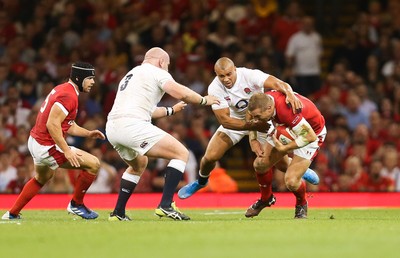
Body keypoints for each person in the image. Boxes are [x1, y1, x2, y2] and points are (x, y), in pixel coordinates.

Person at [178, 57, 319, 202]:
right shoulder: (214, 88)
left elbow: (278, 83)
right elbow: (225, 121)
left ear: (235, 70)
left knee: (280, 165)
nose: (226, 79)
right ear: (216, 74)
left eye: (229, 74)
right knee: (210, 157)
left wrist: (289, 93)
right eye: (221, 76)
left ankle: (299, 169)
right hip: (236, 123)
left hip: (262, 120)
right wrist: (252, 126)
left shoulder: (249, 75)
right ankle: (201, 182)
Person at [106, 47, 219, 221]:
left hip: (113, 128)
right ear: (161, 62)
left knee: (139, 164)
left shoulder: (132, 74)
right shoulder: (156, 71)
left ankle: (118, 213)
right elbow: (180, 92)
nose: (167, 69)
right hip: (132, 125)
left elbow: (146, 110)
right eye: (167, 65)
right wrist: (204, 100)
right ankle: (165, 205)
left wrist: (171, 110)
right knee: (181, 153)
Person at [2, 61, 106, 220]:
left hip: (36, 140)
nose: (93, 82)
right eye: (90, 78)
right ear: (79, 78)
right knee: (94, 164)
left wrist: (88, 133)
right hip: (47, 146)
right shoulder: (69, 95)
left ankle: (11, 214)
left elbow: (67, 125)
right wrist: (66, 150)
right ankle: (76, 204)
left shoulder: (63, 89)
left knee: (41, 178)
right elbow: (52, 124)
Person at [245, 91, 327, 218]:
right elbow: (249, 114)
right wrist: (253, 138)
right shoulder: (263, 100)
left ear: (269, 108)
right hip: (286, 128)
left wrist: (285, 148)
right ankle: (266, 198)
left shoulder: (286, 111)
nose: (256, 120)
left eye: (258, 116)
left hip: (312, 134)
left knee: (291, 181)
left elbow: (309, 136)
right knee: (260, 165)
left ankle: (301, 203)